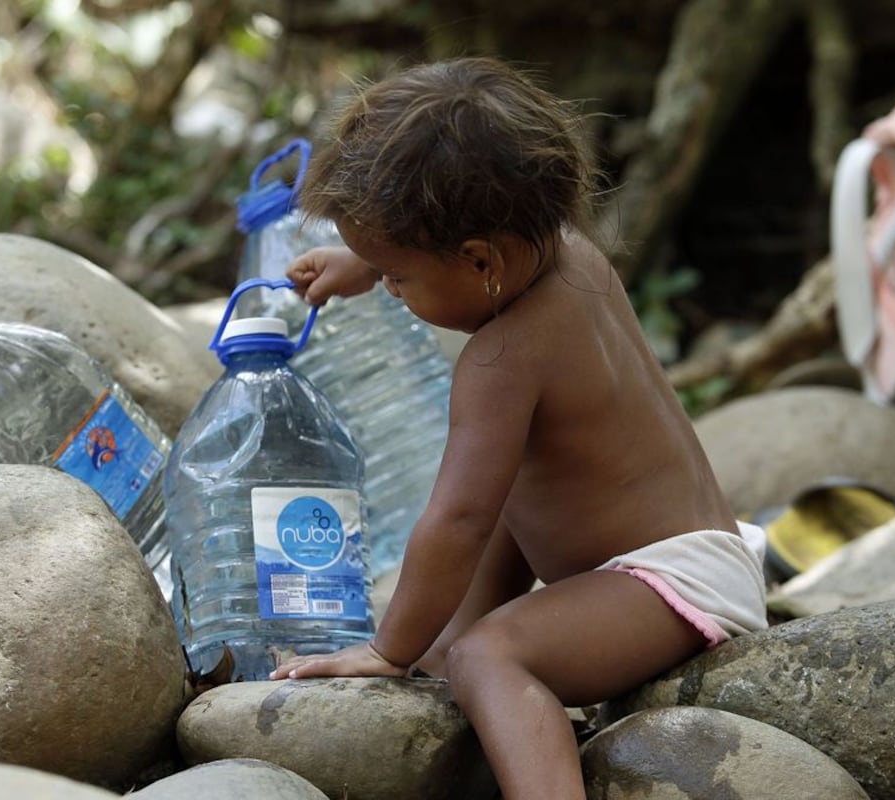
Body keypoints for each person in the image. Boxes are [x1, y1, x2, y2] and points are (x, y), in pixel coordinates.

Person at [268, 56, 767, 800]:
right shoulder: (572, 258)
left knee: (489, 655)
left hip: (667, 586)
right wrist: (367, 262)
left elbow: (456, 518)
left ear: (478, 261)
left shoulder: (500, 360)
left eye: (397, 275)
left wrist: (384, 646)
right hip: (693, 553)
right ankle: (437, 652)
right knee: (510, 497)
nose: (392, 290)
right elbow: (465, 246)